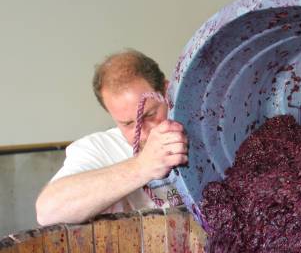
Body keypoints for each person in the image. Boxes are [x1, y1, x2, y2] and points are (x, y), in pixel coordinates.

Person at [36, 49, 188, 226]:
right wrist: (142, 167)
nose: (145, 132)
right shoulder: (99, 149)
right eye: (128, 124)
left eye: (150, 114)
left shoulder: (201, 133)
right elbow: (48, 212)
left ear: (166, 91)